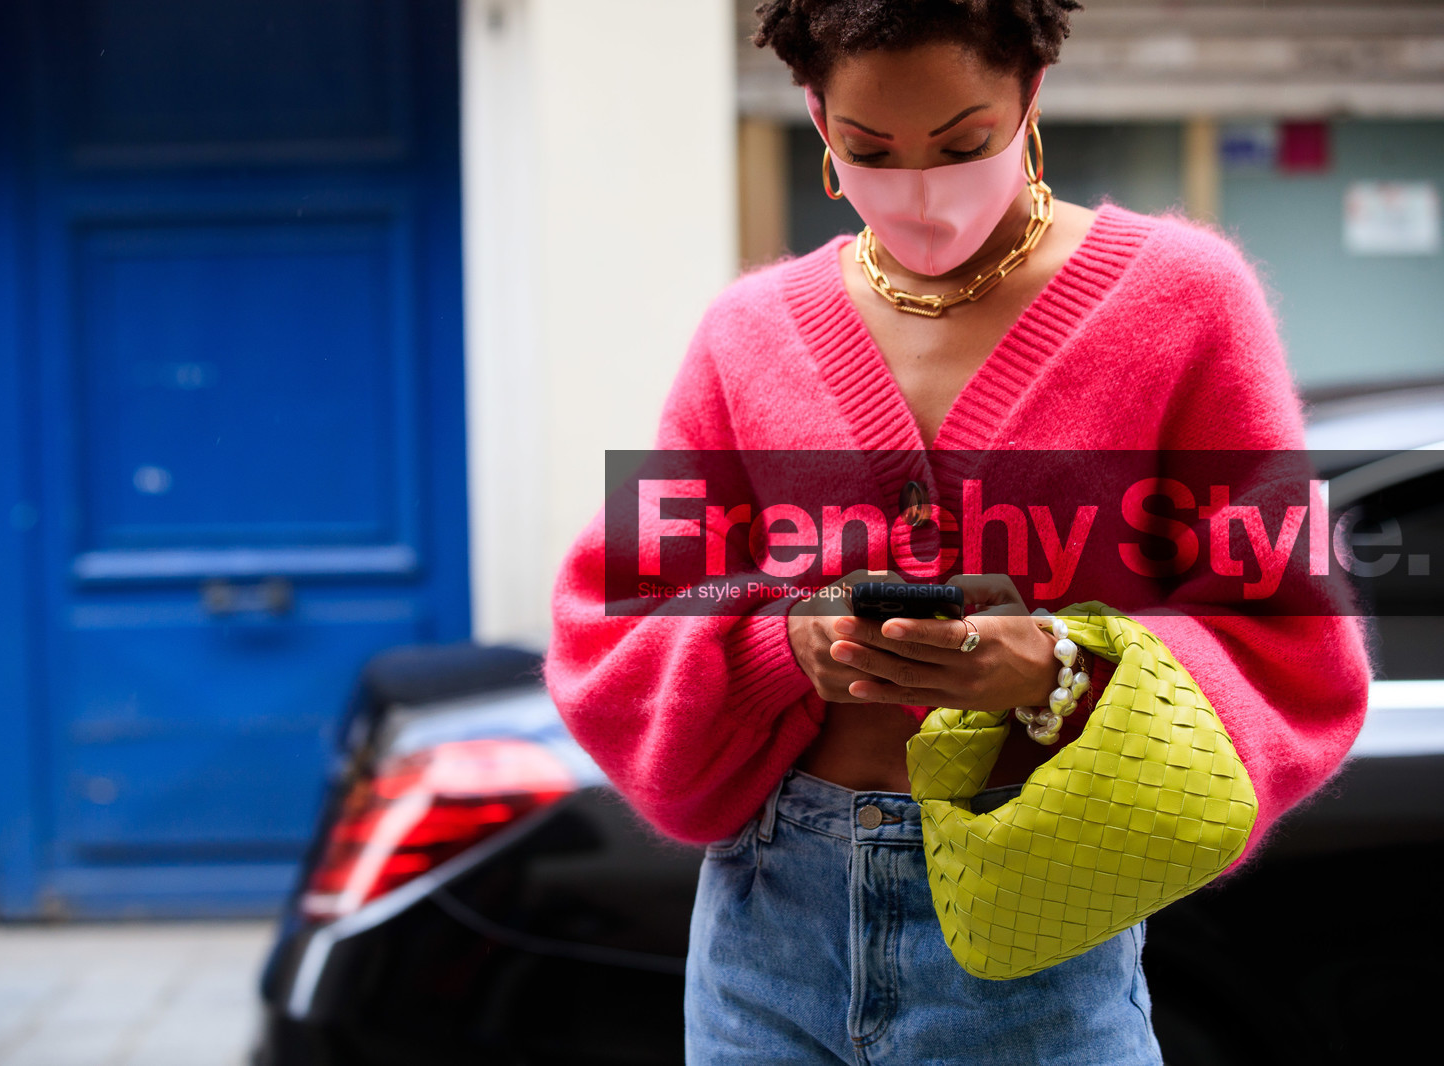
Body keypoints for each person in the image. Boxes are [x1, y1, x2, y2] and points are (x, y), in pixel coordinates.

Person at [543, 1, 1371, 1062]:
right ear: (817, 118)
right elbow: (620, 616)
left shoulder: (1182, 302)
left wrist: (1059, 667)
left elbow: (1290, 633)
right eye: (870, 148)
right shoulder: (745, 335)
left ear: (1030, 96)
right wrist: (783, 644)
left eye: (963, 141)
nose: (921, 186)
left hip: (1036, 936)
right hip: (766, 936)